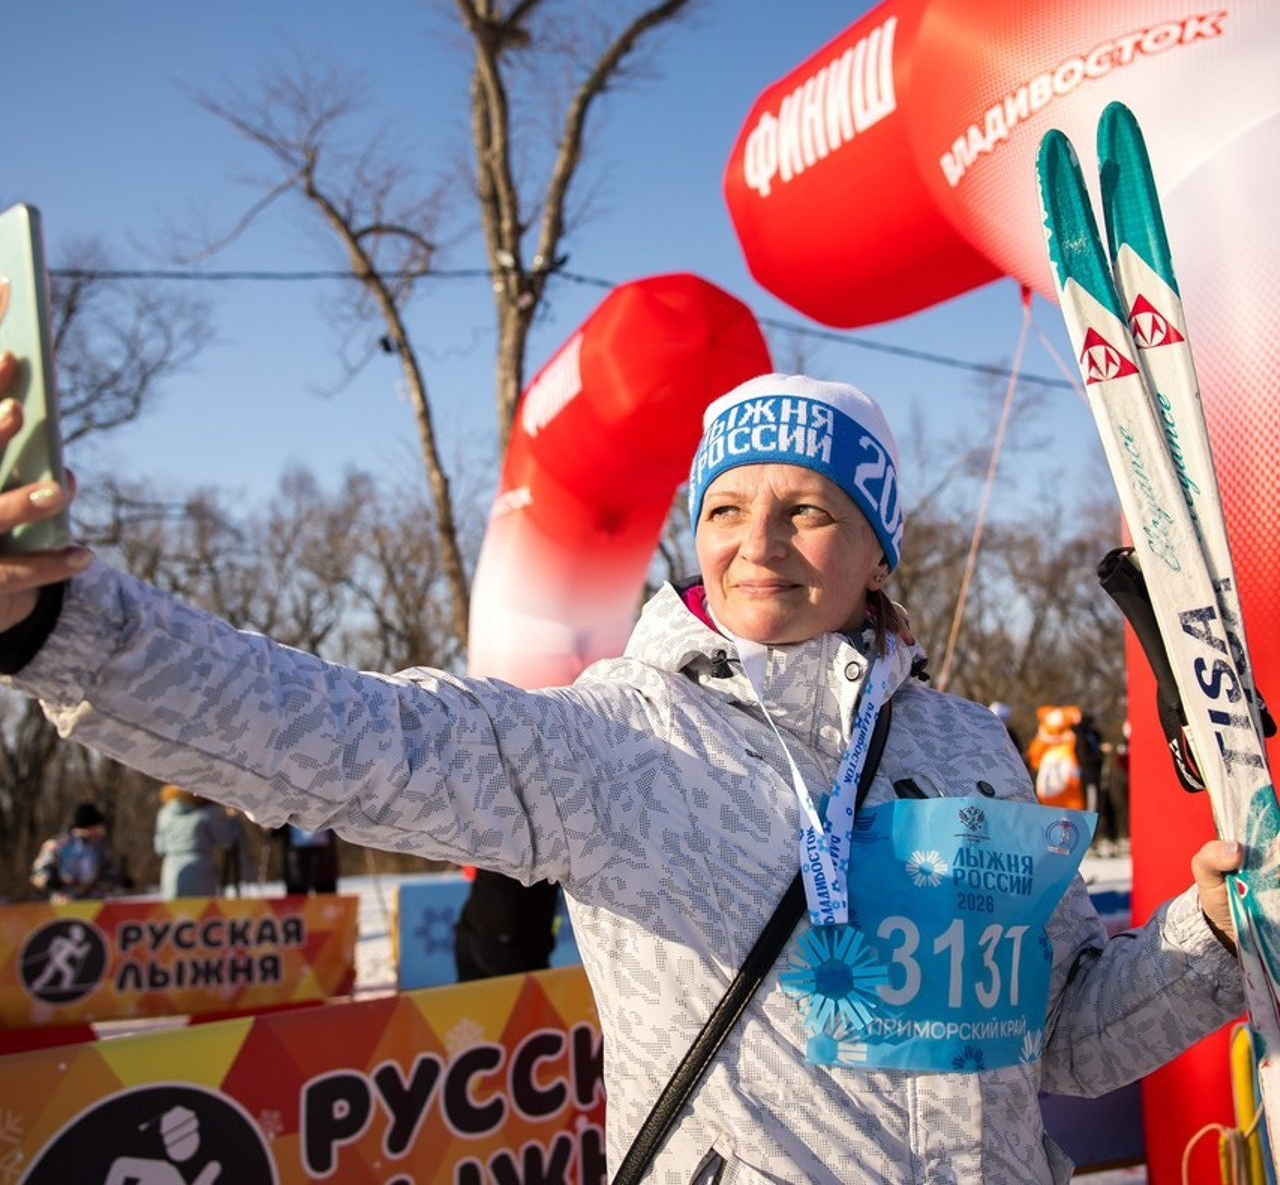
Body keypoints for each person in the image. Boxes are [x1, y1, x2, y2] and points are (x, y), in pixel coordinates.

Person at [0, 364, 1247, 1183]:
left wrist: (1216, 929)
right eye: (726, 508)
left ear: (877, 547)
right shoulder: (620, 740)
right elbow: (340, 734)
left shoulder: (969, 748)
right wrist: (57, 631)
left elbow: (1068, 1035)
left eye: (807, 509)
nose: (757, 543)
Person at [29, 800, 127, 902]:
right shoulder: (58, 845)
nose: (99, 830)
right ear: (87, 826)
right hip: (64, 901)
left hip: (94, 902)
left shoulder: (99, 847)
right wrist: (51, 881)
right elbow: (38, 872)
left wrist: (119, 880)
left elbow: (107, 871)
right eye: (96, 826)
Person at [153, 785, 240, 899]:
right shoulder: (208, 812)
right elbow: (227, 840)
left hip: (171, 869)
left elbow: (160, 847)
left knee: (173, 913)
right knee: (202, 912)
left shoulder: (165, 813)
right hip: (201, 867)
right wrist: (232, 820)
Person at [277, 822, 340, 895]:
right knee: (298, 900)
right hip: (295, 861)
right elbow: (275, 827)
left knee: (326, 899)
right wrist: (268, 824)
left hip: (324, 859)